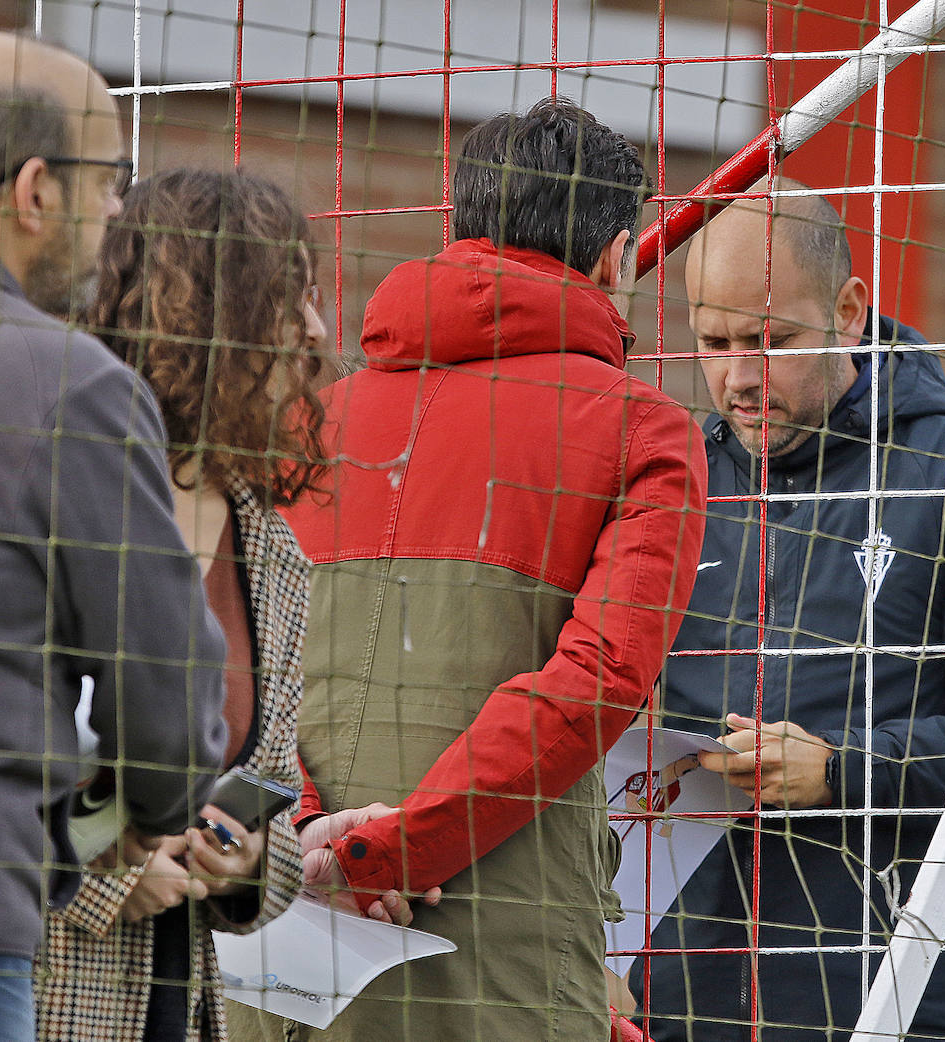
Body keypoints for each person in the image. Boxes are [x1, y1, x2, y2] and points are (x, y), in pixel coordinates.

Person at [230, 96, 708, 1042]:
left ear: (460, 226)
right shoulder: (647, 432)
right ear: (617, 257)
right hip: (504, 958)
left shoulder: (299, 422)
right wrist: (392, 854)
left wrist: (320, 842)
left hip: (280, 924)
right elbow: (595, 687)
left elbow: (238, 662)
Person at [631, 182, 945, 1041]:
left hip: (890, 999)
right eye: (713, 342)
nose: (737, 377)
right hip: (679, 1001)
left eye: (770, 341)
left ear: (850, 312)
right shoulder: (672, 489)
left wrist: (846, 771)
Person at [0, 32, 229, 1042]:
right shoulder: (65, 384)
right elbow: (164, 691)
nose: (118, 212)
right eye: (109, 179)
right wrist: (154, 799)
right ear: (34, 189)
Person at [31, 167, 410, 1041]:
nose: (316, 330)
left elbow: (268, 778)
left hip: (183, 999)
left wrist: (244, 863)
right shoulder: (57, 495)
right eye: (289, 302)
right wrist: (114, 867)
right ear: (207, 318)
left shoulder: (269, 550)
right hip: (41, 989)